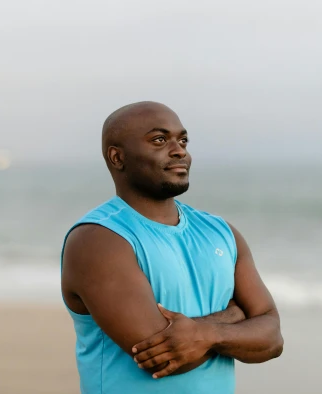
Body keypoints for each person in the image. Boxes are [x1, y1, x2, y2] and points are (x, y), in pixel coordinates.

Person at [60, 101, 283, 393]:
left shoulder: (222, 232)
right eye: (159, 140)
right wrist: (236, 316)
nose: (180, 150)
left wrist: (206, 334)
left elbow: (272, 339)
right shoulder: (98, 240)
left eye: (183, 140)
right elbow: (161, 356)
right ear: (117, 158)